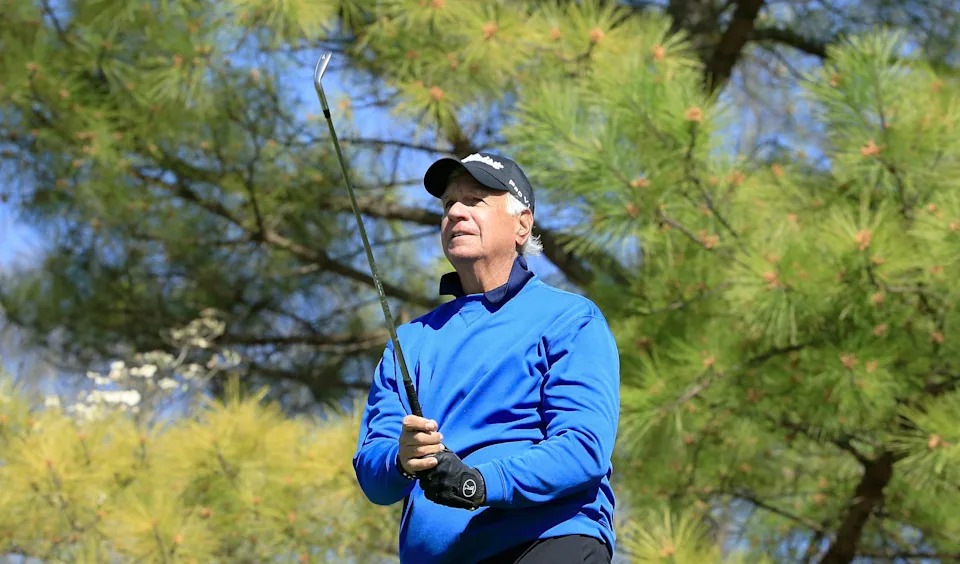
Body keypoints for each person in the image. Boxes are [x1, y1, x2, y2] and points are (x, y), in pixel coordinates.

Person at [353, 152, 621, 563]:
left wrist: (480, 483)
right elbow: (375, 475)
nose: (455, 212)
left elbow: (583, 447)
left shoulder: (570, 319)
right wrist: (402, 459)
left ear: (522, 224)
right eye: (447, 205)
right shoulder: (408, 342)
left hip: (545, 544)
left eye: (475, 201)